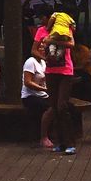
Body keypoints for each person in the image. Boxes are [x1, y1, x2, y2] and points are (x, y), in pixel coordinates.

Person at [35, 19, 75, 154]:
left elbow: (71, 44)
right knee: (54, 106)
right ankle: (60, 142)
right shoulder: (41, 31)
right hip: (50, 71)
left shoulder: (64, 28)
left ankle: (70, 143)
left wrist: (52, 41)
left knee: (62, 106)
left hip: (65, 71)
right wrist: (44, 58)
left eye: (45, 18)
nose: (43, 21)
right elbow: (34, 50)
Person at [21, 39, 52, 147]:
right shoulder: (30, 62)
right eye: (40, 48)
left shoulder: (43, 62)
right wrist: (43, 89)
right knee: (49, 108)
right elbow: (27, 82)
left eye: (44, 48)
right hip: (30, 95)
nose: (43, 50)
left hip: (43, 94)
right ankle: (43, 137)